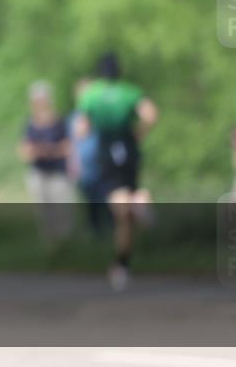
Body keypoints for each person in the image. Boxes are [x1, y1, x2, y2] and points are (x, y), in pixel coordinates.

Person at [74, 52, 158, 291]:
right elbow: (151, 115)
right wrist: (138, 133)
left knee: (119, 208)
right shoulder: (130, 91)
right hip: (128, 147)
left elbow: (81, 128)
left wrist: (88, 130)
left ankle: (136, 203)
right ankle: (139, 200)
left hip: (107, 148)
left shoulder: (91, 94)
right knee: (127, 207)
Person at [19, 80, 74, 242]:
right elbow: (25, 151)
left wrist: (42, 150)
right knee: (44, 211)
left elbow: (68, 148)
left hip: (58, 173)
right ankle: (51, 244)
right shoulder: (29, 123)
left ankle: (67, 243)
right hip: (38, 173)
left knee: (63, 210)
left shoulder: (60, 121)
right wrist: (50, 150)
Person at [68, 78, 109, 236]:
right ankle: (96, 233)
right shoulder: (73, 118)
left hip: (103, 166)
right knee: (92, 204)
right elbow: (71, 142)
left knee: (107, 201)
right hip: (84, 169)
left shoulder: (101, 114)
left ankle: (110, 232)